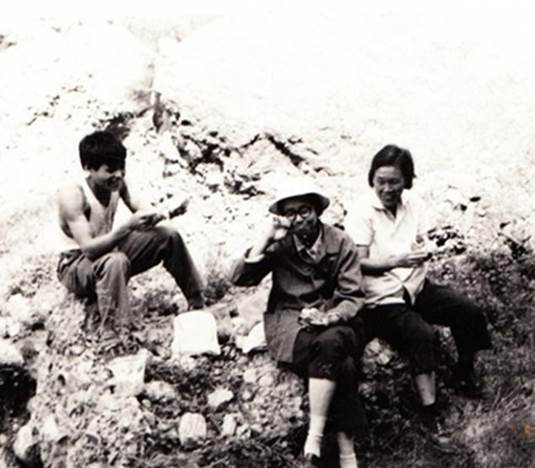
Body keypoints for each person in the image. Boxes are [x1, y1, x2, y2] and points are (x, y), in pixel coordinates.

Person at [345, 144, 492, 446]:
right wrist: (395, 261)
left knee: (468, 312)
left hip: (415, 285)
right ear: (372, 180)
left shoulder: (414, 204)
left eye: (394, 182)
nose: (387, 189)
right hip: (382, 296)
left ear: (407, 181)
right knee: (422, 334)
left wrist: (422, 252)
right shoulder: (361, 212)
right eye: (380, 181)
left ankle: (464, 373)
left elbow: (421, 241)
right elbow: (358, 262)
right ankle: (430, 411)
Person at [231, 178, 366, 468]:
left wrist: (330, 316)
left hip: (335, 319)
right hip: (290, 322)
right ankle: (346, 454)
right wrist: (267, 238)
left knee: (333, 341)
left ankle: (313, 441)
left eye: (304, 210)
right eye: (290, 213)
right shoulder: (280, 244)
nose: (299, 219)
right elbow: (240, 279)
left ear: (317, 211)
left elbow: (352, 296)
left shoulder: (340, 241)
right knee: (343, 363)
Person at [56, 130, 205, 341]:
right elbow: (88, 249)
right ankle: (114, 334)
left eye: (121, 168)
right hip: (75, 265)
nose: (118, 175)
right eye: (110, 170)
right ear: (89, 168)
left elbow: (141, 207)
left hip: (106, 254)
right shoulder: (73, 195)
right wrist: (127, 227)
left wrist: (158, 214)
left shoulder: (117, 183)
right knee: (116, 261)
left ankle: (197, 302)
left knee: (168, 235)